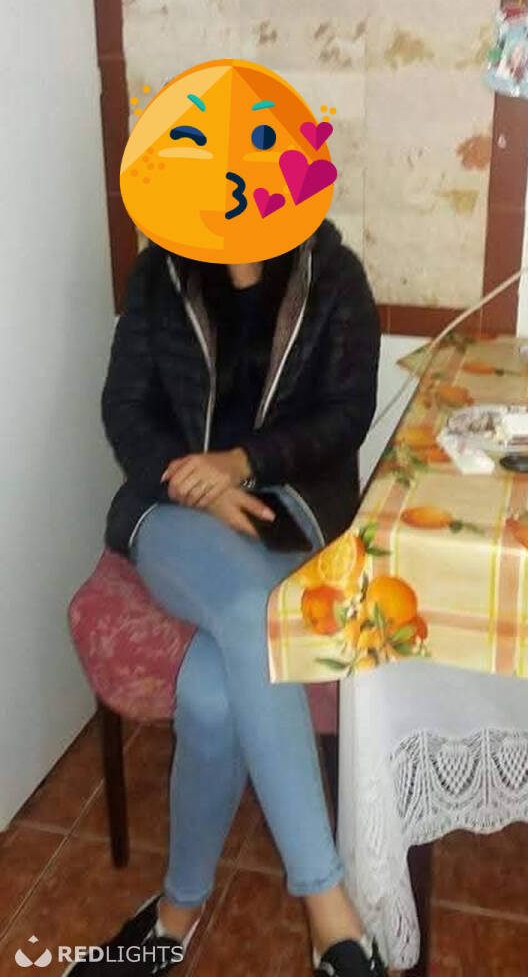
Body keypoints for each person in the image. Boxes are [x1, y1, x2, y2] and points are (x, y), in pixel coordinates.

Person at [65, 220, 385, 977]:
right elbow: (125, 409)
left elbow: (346, 416)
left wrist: (241, 463)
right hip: (173, 512)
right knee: (253, 615)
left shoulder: (333, 276)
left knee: (212, 693)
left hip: (290, 514)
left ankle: (174, 915)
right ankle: (330, 914)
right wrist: (196, 483)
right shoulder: (160, 277)